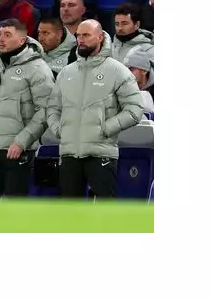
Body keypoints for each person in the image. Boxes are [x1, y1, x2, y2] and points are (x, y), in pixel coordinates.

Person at [47, 20, 144, 198]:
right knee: (69, 211)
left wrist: (105, 128)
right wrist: (59, 130)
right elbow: (53, 108)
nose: (81, 39)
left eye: (86, 35)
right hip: (69, 154)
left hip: (101, 154)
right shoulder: (66, 72)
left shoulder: (118, 71)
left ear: (100, 37)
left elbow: (135, 109)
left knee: (103, 211)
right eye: (78, 35)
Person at [0, 19, 55, 197]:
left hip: (18, 150)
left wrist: (22, 141)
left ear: (22, 40)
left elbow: (46, 110)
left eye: (7, 35)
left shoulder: (38, 68)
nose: (1, 39)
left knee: (15, 208)